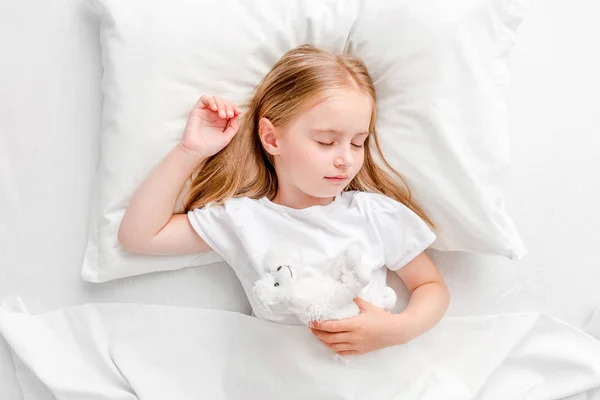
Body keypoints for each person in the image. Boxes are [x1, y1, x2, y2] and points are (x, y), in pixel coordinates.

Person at [118, 44, 450, 357]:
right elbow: (140, 236)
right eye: (326, 142)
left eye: (357, 143)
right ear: (272, 138)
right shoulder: (243, 220)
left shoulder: (374, 215)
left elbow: (430, 285)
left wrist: (397, 329)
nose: (345, 160)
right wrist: (190, 151)